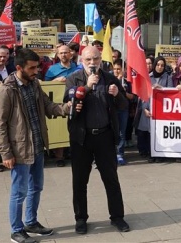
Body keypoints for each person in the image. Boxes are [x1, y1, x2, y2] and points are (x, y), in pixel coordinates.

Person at [0, 48, 74, 243]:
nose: (36, 71)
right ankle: (16, 230)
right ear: (19, 67)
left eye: (37, 67)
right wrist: (6, 154)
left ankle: (31, 222)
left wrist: (66, 108)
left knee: (36, 187)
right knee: (19, 191)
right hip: (19, 150)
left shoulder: (34, 83)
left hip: (37, 146)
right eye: (32, 68)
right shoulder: (7, 90)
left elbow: (48, 106)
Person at [65, 46, 130, 235]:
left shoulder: (110, 79)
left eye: (95, 59)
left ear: (101, 59)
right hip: (81, 138)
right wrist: (86, 87)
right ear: (81, 60)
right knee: (79, 181)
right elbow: (68, 107)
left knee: (111, 179)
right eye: (88, 60)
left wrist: (117, 94)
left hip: (104, 136)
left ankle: (117, 217)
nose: (92, 63)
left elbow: (124, 104)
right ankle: (80, 219)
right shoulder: (73, 79)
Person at [44, 45, 78, 167]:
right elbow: (45, 85)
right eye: (61, 53)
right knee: (60, 128)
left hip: (75, 102)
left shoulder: (77, 67)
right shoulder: (52, 69)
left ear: (70, 54)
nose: (63, 55)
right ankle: (60, 157)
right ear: (57, 55)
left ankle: (73, 153)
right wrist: (55, 81)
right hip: (59, 104)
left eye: (65, 52)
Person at [112, 59, 134, 166]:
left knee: (121, 132)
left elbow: (132, 96)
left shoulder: (127, 82)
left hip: (123, 109)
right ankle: (111, 153)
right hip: (111, 109)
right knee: (111, 132)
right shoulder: (109, 80)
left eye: (118, 69)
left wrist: (122, 92)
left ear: (124, 70)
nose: (116, 71)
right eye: (115, 69)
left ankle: (120, 153)